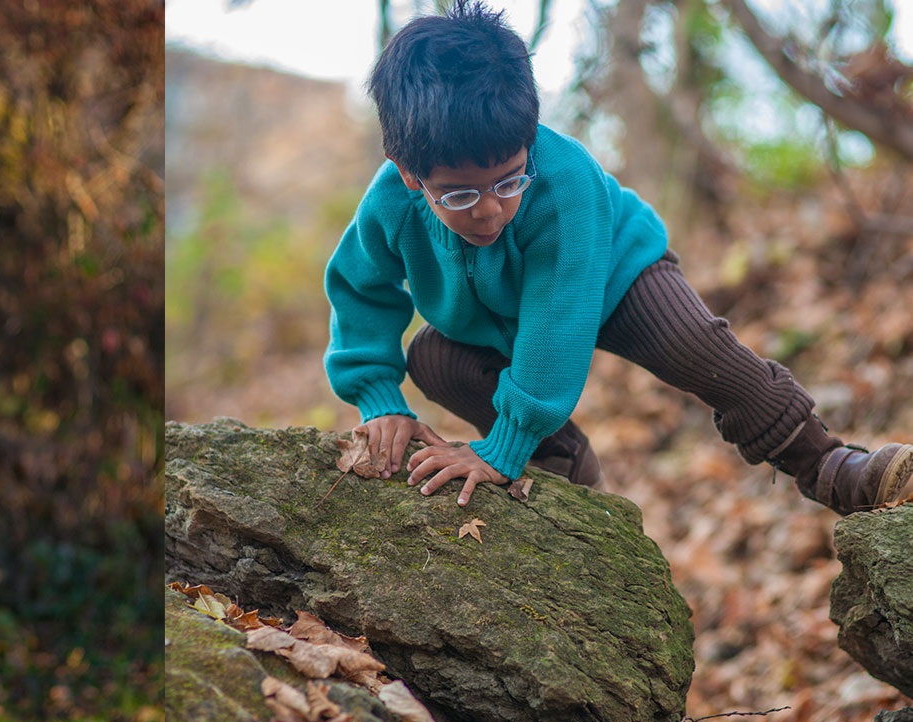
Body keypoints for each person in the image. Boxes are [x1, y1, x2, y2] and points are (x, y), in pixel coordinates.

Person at [323, 0, 913, 513]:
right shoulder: (390, 205)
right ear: (408, 174)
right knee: (436, 358)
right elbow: (361, 287)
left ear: (526, 143)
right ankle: (559, 462)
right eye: (457, 194)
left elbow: (558, 321)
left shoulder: (565, 182)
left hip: (613, 276)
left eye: (508, 182)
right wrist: (381, 401)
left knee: (700, 349)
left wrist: (501, 447)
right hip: (496, 316)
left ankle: (830, 467)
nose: (488, 212)